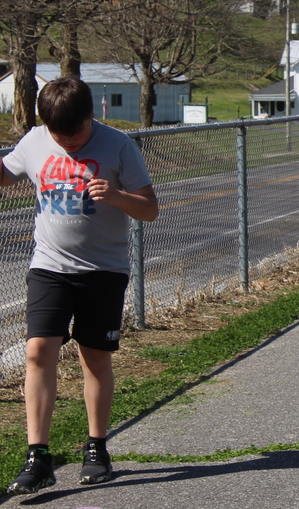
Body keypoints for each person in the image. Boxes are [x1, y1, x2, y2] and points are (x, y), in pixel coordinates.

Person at [3, 78, 159, 495]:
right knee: (38, 351)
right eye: (59, 134)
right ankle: (38, 456)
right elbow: (5, 176)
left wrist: (118, 196)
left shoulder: (117, 145)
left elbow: (150, 209)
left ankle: (96, 447)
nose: (68, 141)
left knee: (94, 358)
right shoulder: (34, 141)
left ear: (91, 115)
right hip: (49, 267)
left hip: (103, 270)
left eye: (75, 132)